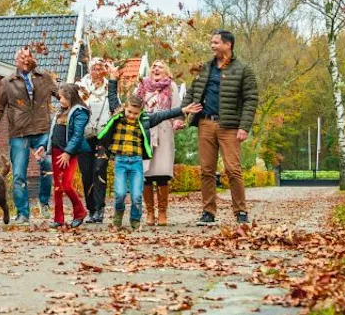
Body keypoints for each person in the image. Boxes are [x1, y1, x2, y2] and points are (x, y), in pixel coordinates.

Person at [97, 66, 203, 230]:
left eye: (135, 114)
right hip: (120, 162)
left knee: (136, 195)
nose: (132, 116)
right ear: (125, 109)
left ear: (141, 113)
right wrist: (112, 78)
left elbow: (163, 115)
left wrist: (183, 110)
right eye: (129, 112)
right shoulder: (118, 116)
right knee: (119, 194)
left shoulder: (145, 120)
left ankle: (135, 220)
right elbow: (112, 97)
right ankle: (118, 214)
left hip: (136, 162)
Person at [179, 30, 260, 225]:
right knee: (207, 170)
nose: (212, 45)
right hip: (205, 123)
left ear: (228, 45)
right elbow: (192, 93)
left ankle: (240, 212)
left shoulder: (243, 70)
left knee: (233, 170)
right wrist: (181, 114)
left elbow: (251, 99)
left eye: (216, 42)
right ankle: (208, 212)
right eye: (212, 42)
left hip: (230, 127)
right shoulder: (205, 68)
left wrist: (244, 127)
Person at [0, 47, 58, 225]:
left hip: (41, 130)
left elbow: (61, 94)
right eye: (22, 57)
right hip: (19, 133)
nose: (25, 59)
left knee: (46, 165)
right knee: (19, 174)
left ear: (33, 59)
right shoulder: (8, 82)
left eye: (28, 56)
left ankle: (43, 201)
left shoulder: (44, 77)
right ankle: (23, 213)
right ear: (16, 61)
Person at [135, 60, 184, 226]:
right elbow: (133, 105)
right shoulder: (142, 86)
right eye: (154, 66)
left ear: (166, 72)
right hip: (146, 130)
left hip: (164, 130)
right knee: (146, 172)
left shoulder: (171, 86)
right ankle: (149, 212)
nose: (156, 68)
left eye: (160, 66)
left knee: (162, 172)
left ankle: (162, 212)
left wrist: (178, 121)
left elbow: (177, 107)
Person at [48, 83, 91, 228]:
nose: (59, 100)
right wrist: (44, 147)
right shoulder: (60, 111)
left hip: (69, 153)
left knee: (66, 185)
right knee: (57, 187)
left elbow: (77, 135)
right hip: (55, 151)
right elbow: (53, 132)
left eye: (61, 98)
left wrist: (68, 152)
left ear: (70, 97)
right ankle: (58, 219)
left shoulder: (80, 112)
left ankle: (80, 211)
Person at [76, 58, 112, 223]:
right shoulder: (80, 88)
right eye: (94, 69)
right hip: (84, 136)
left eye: (100, 69)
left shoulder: (109, 87)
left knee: (99, 170)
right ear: (89, 70)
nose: (97, 72)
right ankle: (90, 208)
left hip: (103, 136)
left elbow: (115, 107)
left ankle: (100, 208)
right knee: (86, 173)